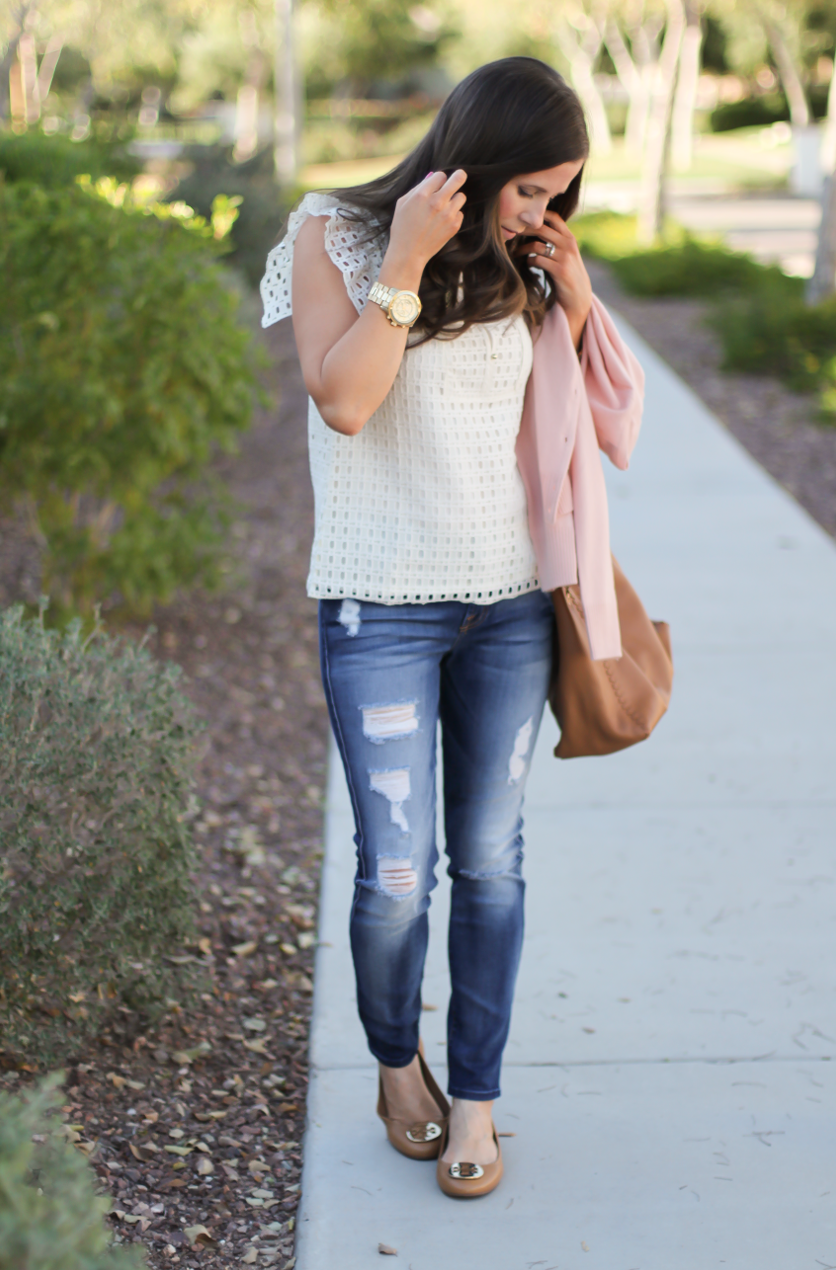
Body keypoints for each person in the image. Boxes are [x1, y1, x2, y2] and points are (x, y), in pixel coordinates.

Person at [260, 56, 603, 1199]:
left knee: (493, 868)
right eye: (529, 189)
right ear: (477, 159)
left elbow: (607, 424)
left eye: (559, 194)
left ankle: (477, 1100)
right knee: (398, 873)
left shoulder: (533, 264)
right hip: (378, 612)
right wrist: (404, 261)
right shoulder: (333, 234)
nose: (542, 212)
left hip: (509, 610)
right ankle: (394, 1061)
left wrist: (577, 294)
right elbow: (345, 398)